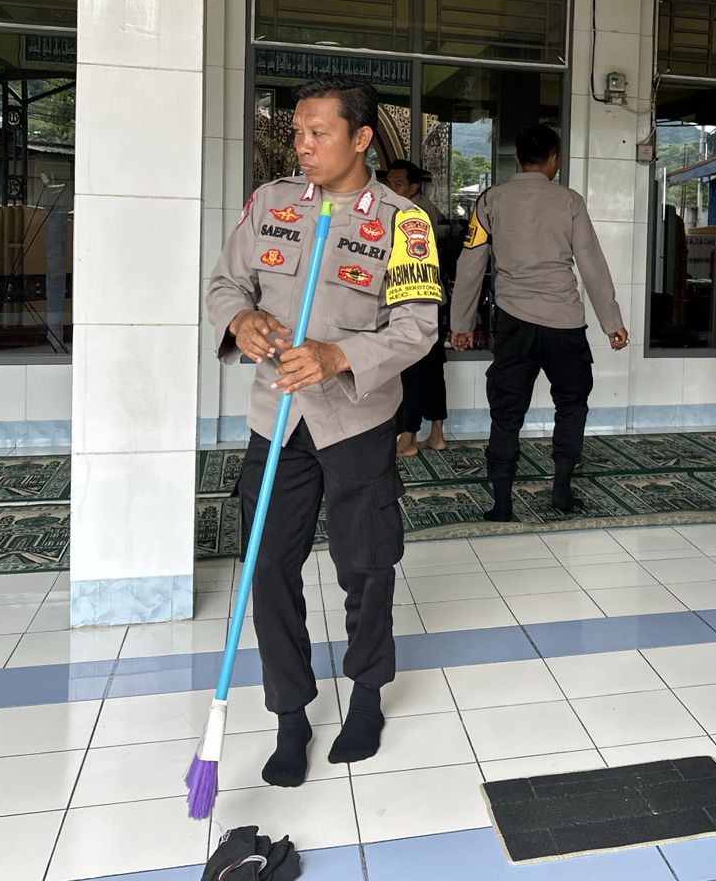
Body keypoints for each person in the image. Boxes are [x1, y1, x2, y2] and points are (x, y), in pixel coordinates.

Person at [206, 79, 442, 785]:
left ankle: (366, 692)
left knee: (365, 565)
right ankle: (290, 714)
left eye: (317, 134)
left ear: (361, 138)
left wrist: (340, 355)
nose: (301, 146)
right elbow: (225, 283)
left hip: (355, 420)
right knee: (266, 567)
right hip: (274, 418)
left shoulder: (405, 224)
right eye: (297, 134)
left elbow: (418, 327)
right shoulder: (273, 203)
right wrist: (240, 320)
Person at [448, 124, 629, 520]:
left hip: (514, 323)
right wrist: (611, 321)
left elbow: (471, 262)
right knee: (571, 404)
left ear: (517, 160)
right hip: (565, 323)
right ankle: (561, 491)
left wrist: (460, 323)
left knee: (507, 410)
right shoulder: (570, 201)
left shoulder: (490, 200)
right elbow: (592, 265)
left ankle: (502, 502)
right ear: (555, 160)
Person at [383, 158, 449, 457]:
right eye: (389, 182)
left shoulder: (414, 214)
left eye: (397, 184)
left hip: (417, 300)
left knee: (413, 369)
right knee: (432, 370)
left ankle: (408, 436)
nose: (390, 188)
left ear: (413, 186)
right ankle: (436, 434)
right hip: (432, 300)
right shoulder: (414, 206)